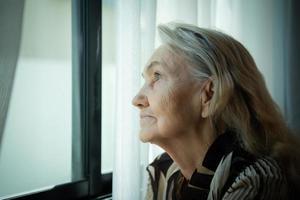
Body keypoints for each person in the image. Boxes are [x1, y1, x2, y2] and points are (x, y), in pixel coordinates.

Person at [132, 22, 300, 200]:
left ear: (209, 95)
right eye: (146, 79)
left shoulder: (254, 178)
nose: (137, 100)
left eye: (157, 76)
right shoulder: (163, 173)